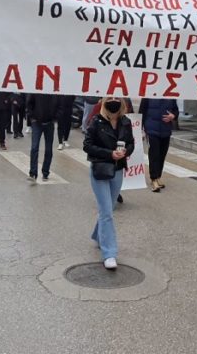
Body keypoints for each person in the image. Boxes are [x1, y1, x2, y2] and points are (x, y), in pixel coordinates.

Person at [84, 96, 134, 270]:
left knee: (109, 208)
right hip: (100, 169)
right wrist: (109, 153)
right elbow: (87, 146)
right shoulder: (96, 121)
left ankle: (99, 235)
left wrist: (125, 152)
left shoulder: (125, 122)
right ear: (105, 102)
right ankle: (109, 253)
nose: (114, 101)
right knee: (106, 212)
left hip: (118, 170)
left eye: (117, 98)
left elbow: (131, 143)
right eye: (110, 98)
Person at [140, 98, 178, 193]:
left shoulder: (170, 96)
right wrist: (141, 129)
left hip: (166, 130)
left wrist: (173, 116)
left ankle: (158, 176)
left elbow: (176, 111)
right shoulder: (147, 96)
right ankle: (153, 179)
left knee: (162, 154)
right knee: (154, 154)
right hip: (151, 129)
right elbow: (141, 112)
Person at [26, 93, 60, 181]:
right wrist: (32, 117)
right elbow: (29, 103)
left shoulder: (55, 93)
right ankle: (33, 173)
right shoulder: (37, 91)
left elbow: (60, 106)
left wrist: (55, 118)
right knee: (34, 148)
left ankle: (45, 172)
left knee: (48, 149)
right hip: (36, 123)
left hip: (49, 123)